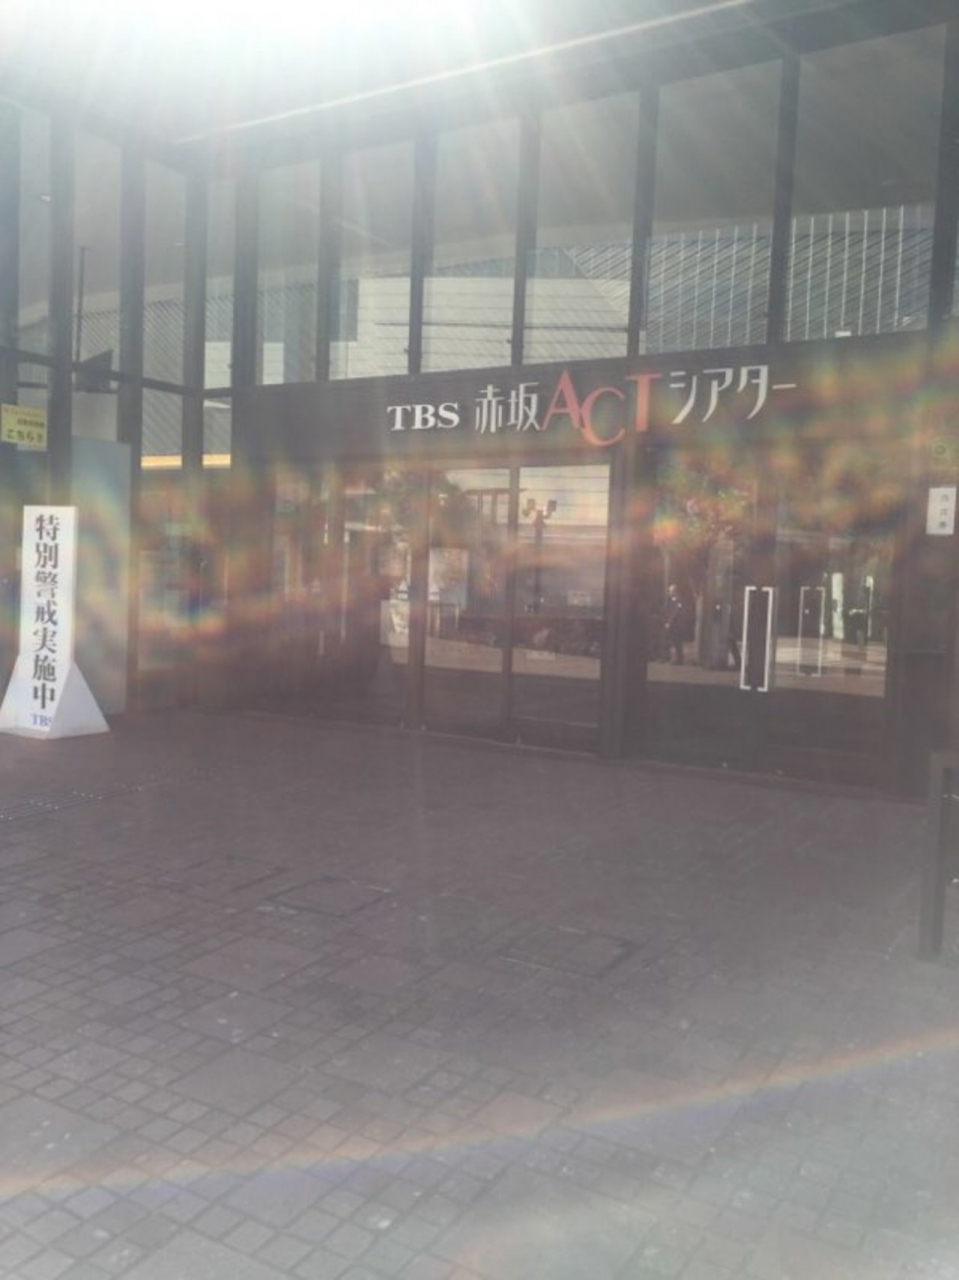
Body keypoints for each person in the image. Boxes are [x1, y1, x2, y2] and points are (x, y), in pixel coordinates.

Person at [663, 583, 687, 664]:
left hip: (676, 626)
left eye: (671, 591)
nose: (669, 593)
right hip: (674, 625)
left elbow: (675, 612)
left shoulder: (677, 601)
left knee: (676, 642)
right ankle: (676, 658)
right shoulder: (671, 601)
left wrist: (669, 623)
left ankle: (677, 659)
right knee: (673, 642)